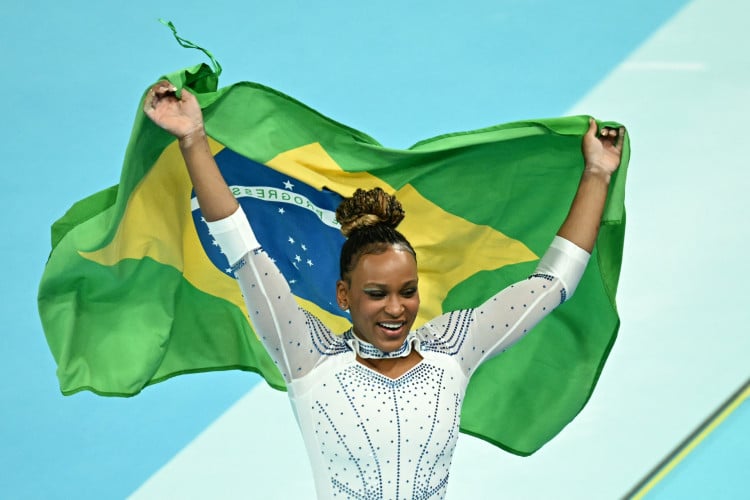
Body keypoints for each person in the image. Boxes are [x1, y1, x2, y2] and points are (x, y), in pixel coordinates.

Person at [144, 81, 624, 499]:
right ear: (344, 295)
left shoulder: (453, 351)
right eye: (377, 293)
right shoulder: (307, 357)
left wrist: (598, 173)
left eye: (407, 291)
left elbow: (553, 282)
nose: (397, 308)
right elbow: (244, 252)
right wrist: (194, 139)